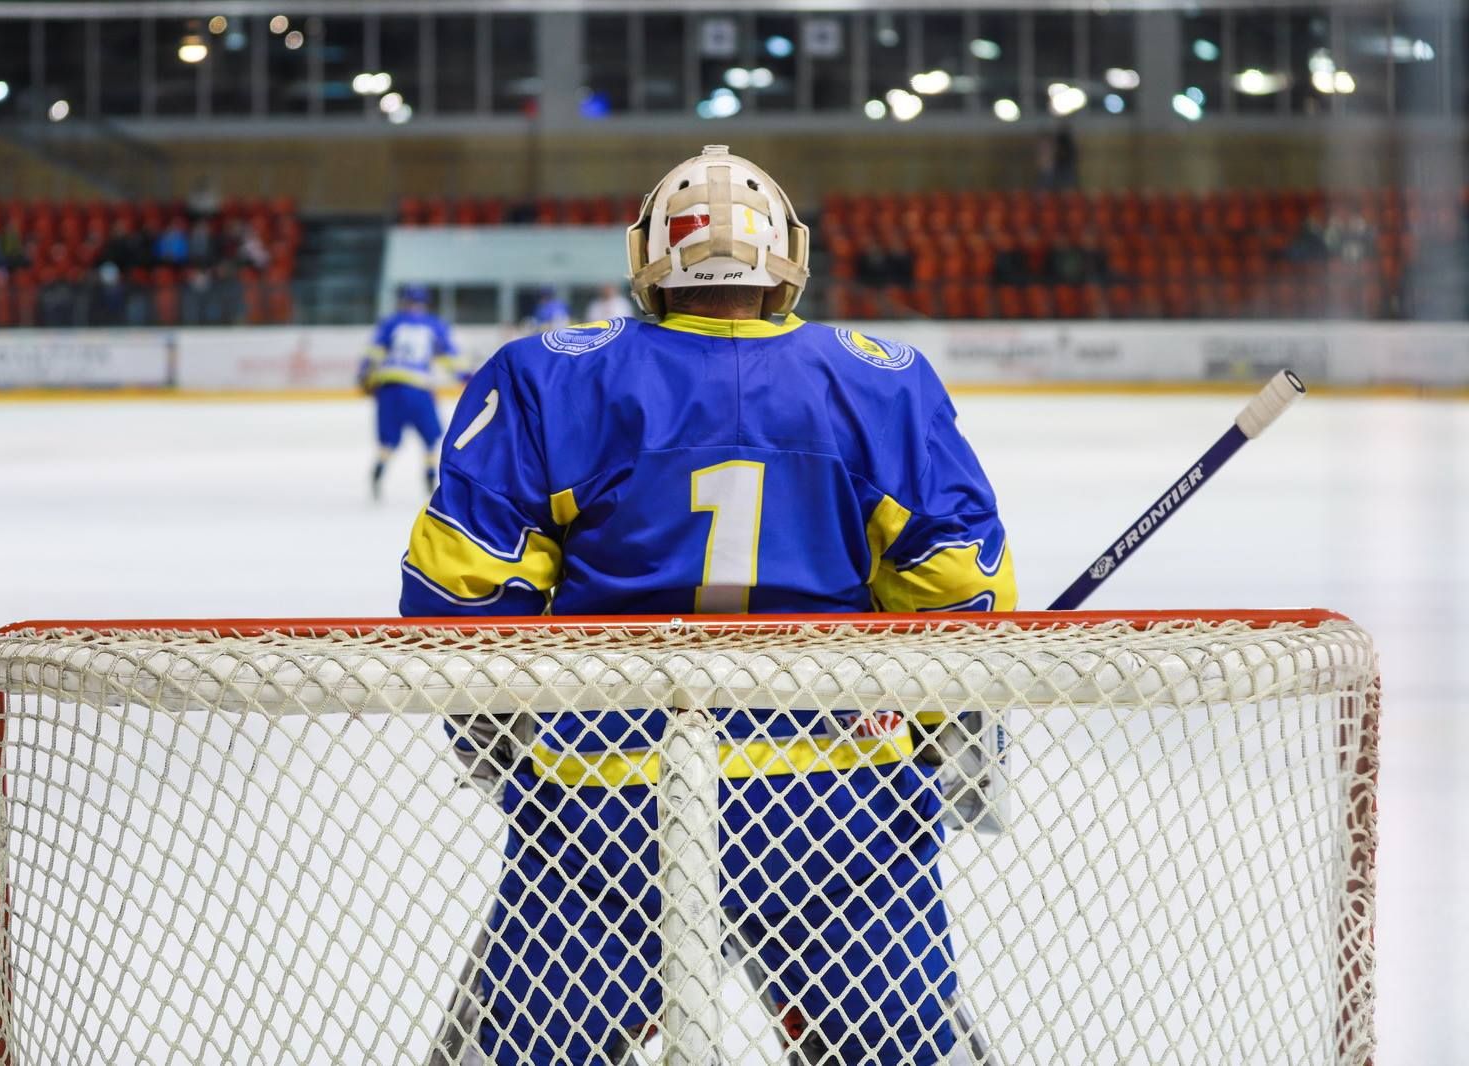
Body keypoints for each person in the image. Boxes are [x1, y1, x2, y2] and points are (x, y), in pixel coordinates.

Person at [399, 145, 1016, 1064]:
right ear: (787, 257)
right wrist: (934, 735)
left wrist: (505, 749)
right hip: (842, 805)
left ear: (648, 255)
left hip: (604, 808)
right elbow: (960, 592)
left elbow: (462, 592)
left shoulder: (547, 376)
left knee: (527, 1050)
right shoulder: (882, 377)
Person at [359, 284, 460, 499]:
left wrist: (365, 377)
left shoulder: (391, 323)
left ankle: (378, 472)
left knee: (388, 440)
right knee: (431, 438)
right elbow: (450, 358)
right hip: (418, 388)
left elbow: (373, 353)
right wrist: (467, 377)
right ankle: (430, 479)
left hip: (389, 388)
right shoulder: (435, 325)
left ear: (403, 301)